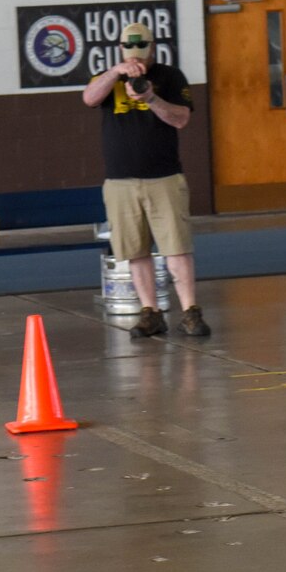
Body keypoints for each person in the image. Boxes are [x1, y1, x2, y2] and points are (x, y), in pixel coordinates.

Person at [81, 21, 209, 339]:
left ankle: (191, 311)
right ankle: (150, 312)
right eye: (129, 50)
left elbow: (181, 119)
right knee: (135, 249)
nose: (136, 56)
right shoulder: (110, 78)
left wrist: (151, 97)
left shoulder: (169, 76)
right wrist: (116, 72)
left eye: (141, 50)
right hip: (120, 180)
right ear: (120, 50)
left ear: (153, 48)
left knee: (176, 246)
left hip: (163, 177)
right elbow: (89, 98)